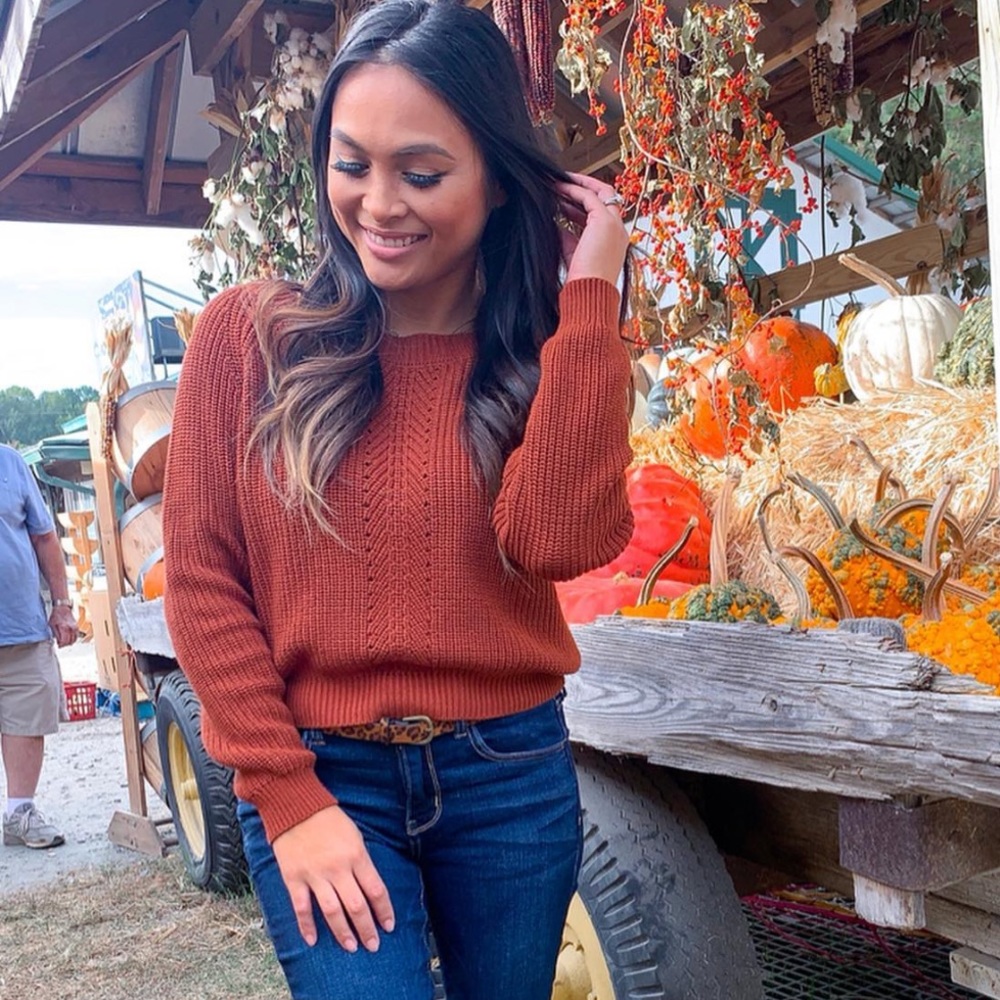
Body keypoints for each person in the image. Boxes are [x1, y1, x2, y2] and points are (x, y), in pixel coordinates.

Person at [163, 0, 633, 995]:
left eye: (421, 174)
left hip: (511, 777)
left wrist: (588, 294)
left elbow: (554, 540)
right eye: (351, 162)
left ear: (502, 182)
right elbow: (204, 583)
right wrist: (287, 797)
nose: (379, 203)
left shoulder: (538, 351)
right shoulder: (247, 336)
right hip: (321, 770)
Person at [0, 443, 76, 850]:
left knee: (26, 720)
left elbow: (45, 538)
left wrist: (62, 606)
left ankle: (19, 812)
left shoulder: (9, 462)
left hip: (20, 625)